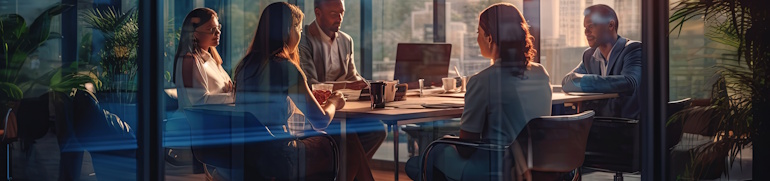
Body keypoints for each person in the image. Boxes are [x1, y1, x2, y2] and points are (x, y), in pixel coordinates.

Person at [405, 3, 552, 180]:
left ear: (489, 38)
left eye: (478, 33)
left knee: (419, 161)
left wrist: (446, 141)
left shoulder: (482, 81)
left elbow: (466, 149)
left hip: (495, 169)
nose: (477, 39)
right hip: (535, 166)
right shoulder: (541, 73)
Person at [234, 2, 373, 181]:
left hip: (247, 156)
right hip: (279, 157)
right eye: (299, 30)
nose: (300, 36)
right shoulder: (286, 67)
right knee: (348, 143)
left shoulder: (245, 66)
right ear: (288, 31)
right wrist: (334, 102)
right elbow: (320, 121)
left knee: (345, 142)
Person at [299, 0, 386, 162]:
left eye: (342, 13)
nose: (339, 18)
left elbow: (352, 76)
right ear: (318, 13)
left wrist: (370, 86)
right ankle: (343, 171)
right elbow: (311, 84)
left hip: (343, 108)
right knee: (351, 137)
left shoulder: (346, 40)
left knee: (377, 129)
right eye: (334, 14)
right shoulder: (303, 39)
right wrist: (346, 85)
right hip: (318, 111)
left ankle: (345, 172)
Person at [561, 4, 642, 119]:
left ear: (610, 25)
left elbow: (630, 82)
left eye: (591, 26)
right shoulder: (589, 55)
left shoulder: (633, 49)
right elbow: (567, 82)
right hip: (598, 124)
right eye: (585, 28)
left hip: (627, 127)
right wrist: (577, 81)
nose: (586, 32)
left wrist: (583, 82)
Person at [173, 8, 234, 110]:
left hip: (211, 122)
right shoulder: (190, 60)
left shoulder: (212, 60)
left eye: (218, 27)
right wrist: (234, 97)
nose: (218, 32)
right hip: (193, 124)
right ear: (195, 33)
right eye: (211, 29)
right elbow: (199, 101)